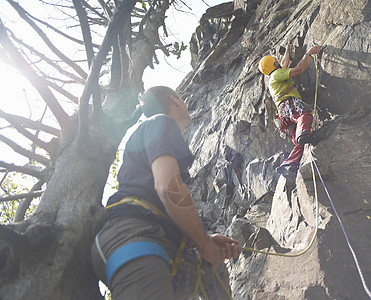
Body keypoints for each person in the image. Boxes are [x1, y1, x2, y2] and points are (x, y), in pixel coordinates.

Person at [90, 86, 241, 299]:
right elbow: (168, 187)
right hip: (136, 238)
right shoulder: (161, 121)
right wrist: (204, 244)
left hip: (140, 241)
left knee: (215, 272)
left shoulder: (149, 134)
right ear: (175, 101)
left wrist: (204, 240)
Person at [259, 44, 321, 178]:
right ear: (274, 65)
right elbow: (299, 69)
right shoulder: (277, 74)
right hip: (289, 105)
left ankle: (288, 164)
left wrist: (287, 51)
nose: (278, 62)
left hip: (283, 116)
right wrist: (309, 53)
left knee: (300, 144)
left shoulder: (273, 77)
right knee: (304, 116)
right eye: (276, 62)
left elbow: (284, 64)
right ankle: (303, 133)